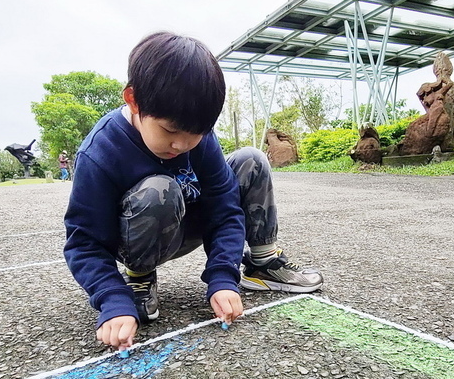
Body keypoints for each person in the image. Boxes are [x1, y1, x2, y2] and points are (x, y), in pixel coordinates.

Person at [64, 32, 323, 351]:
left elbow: (226, 211)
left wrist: (223, 278)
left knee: (250, 160)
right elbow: (84, 243)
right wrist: (112, 299)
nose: (182, 145)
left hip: (190, 220)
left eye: (197, 134)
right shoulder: (100, 152)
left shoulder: (198, 139)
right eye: (170, 130)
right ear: (133, 100)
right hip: (138, 233)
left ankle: (261, 264)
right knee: (158, 188)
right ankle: (139, 278)